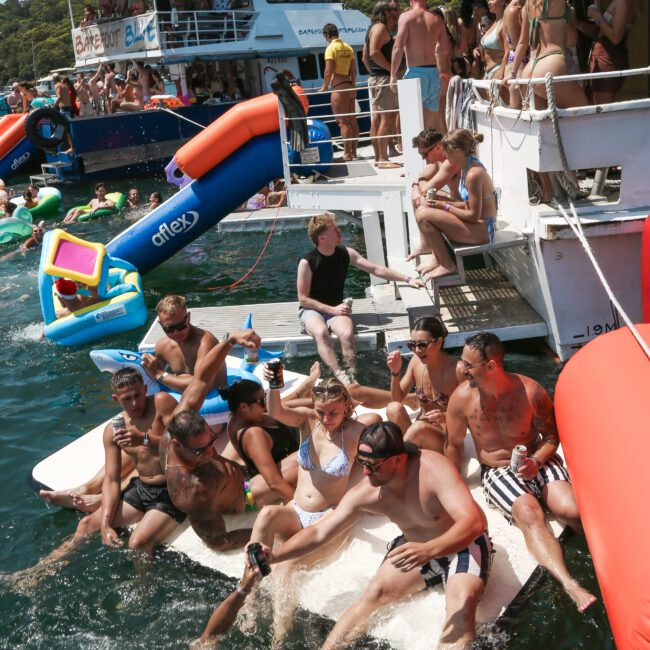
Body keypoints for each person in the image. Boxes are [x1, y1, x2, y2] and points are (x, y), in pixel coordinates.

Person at [255, 421, 491, 649]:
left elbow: (474, 522)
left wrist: (430, 549)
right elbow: (319, 532)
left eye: (374, 465)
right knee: (373, 595)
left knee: (462, 607)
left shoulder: (433, 470)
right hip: (415, 545)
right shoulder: (368, 491)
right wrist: (275, 556)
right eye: (361, 463)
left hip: (462, 544)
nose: (366, 473)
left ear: (399, 459)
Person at [199, 376, 379, 646]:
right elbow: (278, 410)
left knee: (284, 566)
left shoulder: (356, 432)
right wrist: (274, 386)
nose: (327, 418)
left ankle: (278, 640)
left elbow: (383, 435)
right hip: (296, 510)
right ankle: (249, 599)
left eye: (333, 413)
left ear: (346, 405)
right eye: (322, 411)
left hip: (327, 517)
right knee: (267, 513)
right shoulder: (309, 421)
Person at [445, 332, 597, 612]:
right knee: (529, 514)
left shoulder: (530, 391)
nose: (461, 369)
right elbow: (453, 446)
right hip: (498, 470)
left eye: (468, 364)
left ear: (491, 366)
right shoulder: (461, 399)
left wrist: (537, 462)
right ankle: (570, 584)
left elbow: (552, 437)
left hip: (536, 459)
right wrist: (453, 492)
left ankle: (605, 564)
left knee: (572, 511)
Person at [8, 369, 183, 590]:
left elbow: (184, 443)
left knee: (137, 542)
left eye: (137, 395)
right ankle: (38, 573)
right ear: (115, 399)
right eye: (126, 398)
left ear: (146, 389)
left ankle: (143, 587)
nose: (135, 402)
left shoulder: (162, 402)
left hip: (174, 488)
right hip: (143, 488)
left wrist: (145, 439)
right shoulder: (114, 430)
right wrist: (105, 524)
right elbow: (111, 479)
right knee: (86, 524)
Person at [297, 213, 425, 384]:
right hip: (312, 310)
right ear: (322, 238)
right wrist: (332, 310)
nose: (339, 230)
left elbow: (376, 269)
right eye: (333, 229)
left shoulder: (345, 253)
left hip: (336, 309)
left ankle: (352, 375)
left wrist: (408, 279)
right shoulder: (307, 262)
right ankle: (338, 373)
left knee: (347, 334)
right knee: (321, 333)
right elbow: (303, 299)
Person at [411, 129, 498, 280]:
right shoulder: (468, 166)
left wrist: (444, 207)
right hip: (479, 225)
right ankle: (438, 258)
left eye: (446, 151)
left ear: (457, 151)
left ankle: (447, 264)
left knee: (422, 214)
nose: (444, 155)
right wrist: (440, 203)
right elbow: (468, 205)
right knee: (425, 206)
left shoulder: (473, 174)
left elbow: (472, 215)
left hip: (484, 231)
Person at [386, 316, 459, 452]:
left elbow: (472, 411)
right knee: (393, 408)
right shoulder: (415, 362)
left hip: (445, 439)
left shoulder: (457, 369)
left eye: (422, 344)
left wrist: (445, 416)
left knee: (418, 428)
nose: (417, 350)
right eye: (412, 345)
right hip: (417, 431)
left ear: (439, 342)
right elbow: (396, 399)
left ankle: (398, 459)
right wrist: (395, 372)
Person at [221, 378, 299, 504]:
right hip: (250, 498)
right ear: (244, 406)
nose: (264, 406)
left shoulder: (234, 419)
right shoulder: (253, 435)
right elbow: (275, 483)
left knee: (282, 409)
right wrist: (303, 513)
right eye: (261, 401)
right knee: (304, 457)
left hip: (249, 482)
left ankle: (303, 390)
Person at [510, 0, 589, 109]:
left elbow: (523, 43)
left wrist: (513, 73)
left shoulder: (527, 7)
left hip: (529, 71)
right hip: (551, 65)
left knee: (546, 124)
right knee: (586, 116)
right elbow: (572, 42)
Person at [141, 294, 224, 394]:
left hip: (215, 400)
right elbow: (151, 376)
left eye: (181, 326)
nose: (176, 332)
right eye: (169, 328)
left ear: (188, 317)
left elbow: (202, 384)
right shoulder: (162, 346)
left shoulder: (205, 342)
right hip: (184, 399)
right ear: (160, 324)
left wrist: (160, 374)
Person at [390, 0, 452, 131]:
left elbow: (398, 46)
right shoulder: (436, 19)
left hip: (415, 73)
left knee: (412, 125)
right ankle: (431, 151)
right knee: (431, 126)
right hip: (434, 73)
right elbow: (444, 49)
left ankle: (418, 151)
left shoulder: (406, 17)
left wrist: (392, 75)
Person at [408, 127, 462, 263]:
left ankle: (438, 257)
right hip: (456, 205)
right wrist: (416, 188)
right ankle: (426, 244)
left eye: (425, 154)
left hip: (463, 210)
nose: (424, 159)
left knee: (424, 202)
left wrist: (419, 187)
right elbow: (421, 178)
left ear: (437, 147)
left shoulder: (450, 163)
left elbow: (426, 188)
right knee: (418, 197)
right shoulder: (439, 160)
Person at [577, 0, 637, 104]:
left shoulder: (624, 2)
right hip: (601, 61)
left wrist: (597, 17)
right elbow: (600, 33)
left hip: (608, 62)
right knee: (593, 109)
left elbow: (615, 38)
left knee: (601, 113)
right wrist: (577, 24)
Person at [363, 2, 400, 169]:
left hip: (377, 78)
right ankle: (383, 159)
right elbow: (374, 53)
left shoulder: (372, 28)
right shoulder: (380, 28)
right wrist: (391, 71)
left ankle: (379, 158)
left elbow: (365, 57)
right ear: (384, 12)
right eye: (391, 10)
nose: (395, 12)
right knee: (387, 119)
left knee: (378, 120)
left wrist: (375, 73)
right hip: (383, 79)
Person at [321, 24, 359, 162]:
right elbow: (353, 71)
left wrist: (325, 86)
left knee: (342, 122)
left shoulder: (331, 48)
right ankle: (354, 152)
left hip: (338, 87)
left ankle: (347, 154)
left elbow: (328, 70)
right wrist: (353, 86)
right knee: (352, 121)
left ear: (327, 35)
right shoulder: (348, 47)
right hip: (349, 85)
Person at [502, 0, 527, 108]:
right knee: (518, 113)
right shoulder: (514, 10)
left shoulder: (517, 7)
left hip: (518, 62)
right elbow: (519, 46)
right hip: (520, 64)